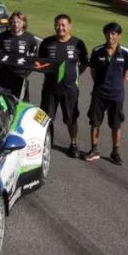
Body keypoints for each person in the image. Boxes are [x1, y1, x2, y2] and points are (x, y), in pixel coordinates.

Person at [37, 13, 89, 158]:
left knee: (71, 119)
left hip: (70, 90)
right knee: (45, 118)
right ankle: (45, 142)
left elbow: (84, 62)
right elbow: (39, 62)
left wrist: (74, 75)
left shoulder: (78, 43)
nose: (60, 28)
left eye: (63, 25)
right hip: (50, 88)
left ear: (69, 26)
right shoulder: (46, 42)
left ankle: (73, 144)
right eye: (58, 25)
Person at [84, 22, 128, 165]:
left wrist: (117, 87)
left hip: (116, 96)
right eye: (108, 33)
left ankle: (115, 153)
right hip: (99, 94)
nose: (110, 36)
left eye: (113, 34)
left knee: (116, 125)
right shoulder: (97, 51)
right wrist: (100, 85)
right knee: (95, 122)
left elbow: (126, 73)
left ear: (119, 36)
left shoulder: (126, 53)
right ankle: (94, 150)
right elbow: (93, 71)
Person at [0, 11, 38, 100]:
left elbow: (33, 60)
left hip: (20, 77)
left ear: (24, 23)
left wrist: (26, 74)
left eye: (19, 22)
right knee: (4, 102)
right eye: (13, 22)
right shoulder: (2, 36)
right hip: (4, 76)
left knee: (21, 103)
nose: (16, 25)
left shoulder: (30, 38)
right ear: (10, 22)